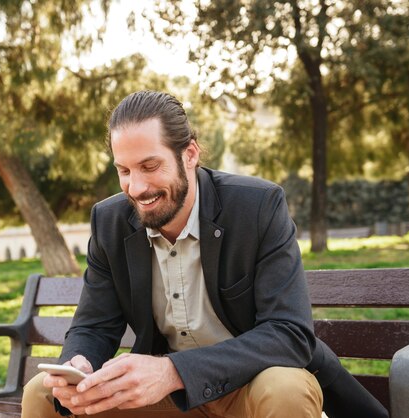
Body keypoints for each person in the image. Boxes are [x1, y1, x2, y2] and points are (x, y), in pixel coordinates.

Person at [22, 91, 387, 418]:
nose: (136, 187)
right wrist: (80, 363)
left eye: (150, 166)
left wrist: (173, 370)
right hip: (168, 399)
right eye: (124, 170)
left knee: (285, 388)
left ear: (190, 154)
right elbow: (94, 325)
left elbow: (290, 333)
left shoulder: (258, 207)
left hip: (250, 388)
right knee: (43, 394)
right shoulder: (110, 221)